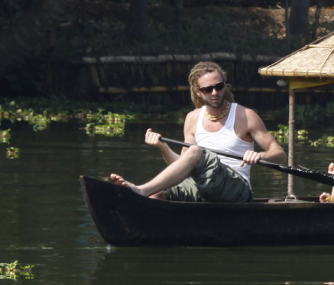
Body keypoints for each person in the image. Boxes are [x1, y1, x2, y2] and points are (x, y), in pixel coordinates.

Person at [109, 61, 285, 200]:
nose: (215, 92)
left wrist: (260, 156)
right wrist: (163, 148)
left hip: (236, 187)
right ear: (198, 92)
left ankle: (140, 190)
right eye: (208, 89)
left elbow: (280, 155)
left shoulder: (245, 115)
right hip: (202, 185)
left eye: (219, 86)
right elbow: (182, 165)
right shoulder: (192, 118)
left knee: (195, 152)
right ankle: (145, 201)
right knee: (157, 196)